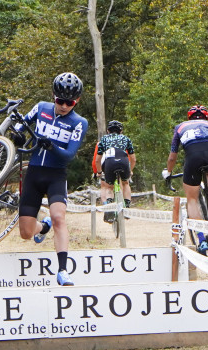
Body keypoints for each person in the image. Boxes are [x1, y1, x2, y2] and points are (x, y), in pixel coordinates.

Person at [19, 72, 89, 286]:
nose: (64, 106)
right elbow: (22, 125)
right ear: (53, 96)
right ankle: (44, 227)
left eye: (70, 103)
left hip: (56, 175)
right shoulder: (41, 108)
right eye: (60, 101)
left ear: (76, 102)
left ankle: (62, 270)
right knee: (26, 233)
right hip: (33, 173)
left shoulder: (79, 122)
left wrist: (52, 145)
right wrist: (18, 134)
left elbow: (69, 155)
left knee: (59, 217)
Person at [161, 105, 208, 256]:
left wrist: (168, 172)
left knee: (192, 199)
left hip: (193, 157)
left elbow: (172, 156)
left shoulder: (180, 127)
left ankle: (202, 240)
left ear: (189, 117)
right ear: (206, 117)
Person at [92, 120, 136, 223]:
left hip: (109, 162)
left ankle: (110, 210)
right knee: (125, 183)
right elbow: (133, 159)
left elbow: (97, 160)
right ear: (121, 131)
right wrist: (130, 171)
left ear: (108, 130)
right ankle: (127, 208)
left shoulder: (104, 139)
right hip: (124, 162)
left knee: (108, 187)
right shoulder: (126, 139)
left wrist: (99, 172)